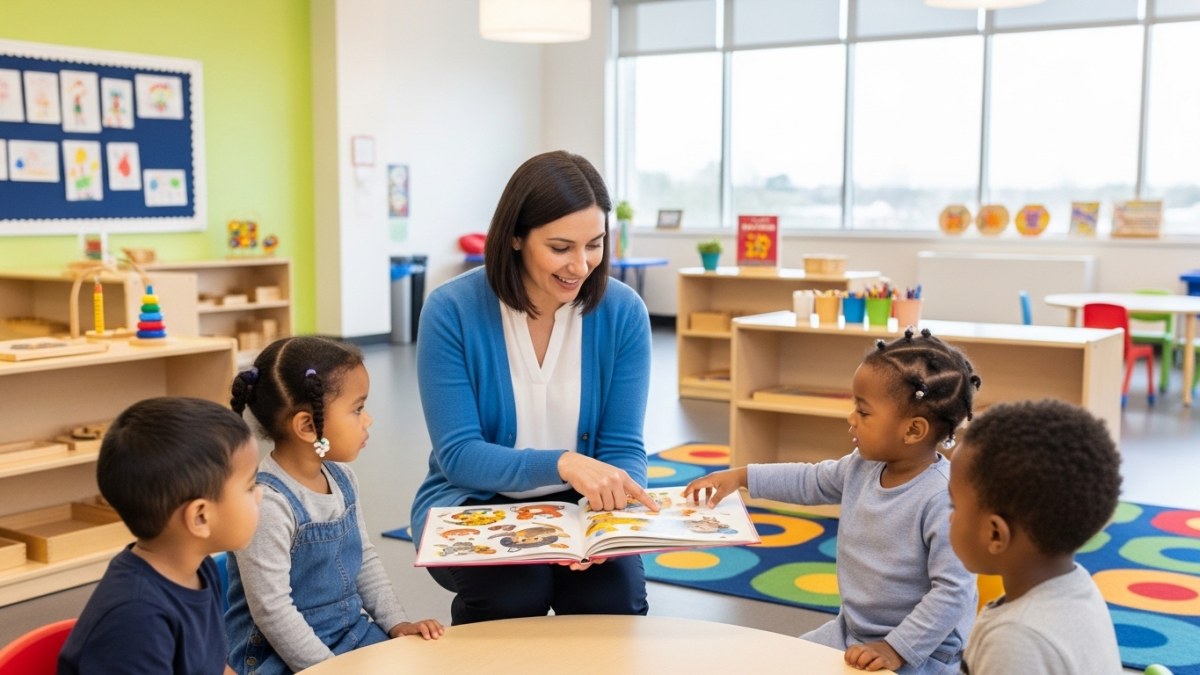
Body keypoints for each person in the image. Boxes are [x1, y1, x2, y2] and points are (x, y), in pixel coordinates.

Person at [411, 150, 658, 625]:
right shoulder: (451, 310)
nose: (581, 265)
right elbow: (460, 455)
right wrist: (563, 464)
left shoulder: (624, 313)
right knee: (513, 593)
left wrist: (608, 521)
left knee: (612, 598)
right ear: (515, 238)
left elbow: (624, 449)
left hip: (582, 508)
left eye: (595, 244)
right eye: (561, 247)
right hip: (472, 499)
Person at [684, 328, 981, 675]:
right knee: (778, 664)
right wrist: (741, 477)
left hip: (922, 652)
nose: (851, 418)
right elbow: (810, 479)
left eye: (863, 411)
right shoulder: (863, 466)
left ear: (913, 431)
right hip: (854, 633)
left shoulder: (942, 500)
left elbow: (953, 593)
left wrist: (895, 649)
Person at [225, 336, 443, 674]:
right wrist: (328, 669)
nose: (367, 420)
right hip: (278, 655)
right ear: (308, 426)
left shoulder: (342, 479)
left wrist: (396, 623)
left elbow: (364, 560)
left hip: (348, 636)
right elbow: (273, 611)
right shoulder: (268, 503)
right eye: (357, 409)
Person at [58, 397, 261, 675]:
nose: (260, 495)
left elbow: (213, 667)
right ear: (200, 517)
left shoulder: (199, 569)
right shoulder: (135, 618)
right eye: (250, 486)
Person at [949, 399, 1123, 674]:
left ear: (995, 534)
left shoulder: (1016, 640)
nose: (949, 518)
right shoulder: (1076, 585)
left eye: (954, 506)